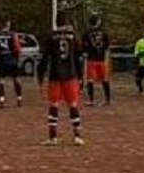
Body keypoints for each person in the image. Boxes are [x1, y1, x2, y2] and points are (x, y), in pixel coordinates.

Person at [38, 14, 84, 146]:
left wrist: (40, 77)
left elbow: (44, 58)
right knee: (73, 105)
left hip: (55, 75)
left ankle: (53, 137)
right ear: (67, 22)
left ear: (56, 22)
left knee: (54, 105)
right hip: (71, 74)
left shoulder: (51, 36)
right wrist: (80, 77)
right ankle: (77, 136)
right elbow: (78, 58)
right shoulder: (74, 36)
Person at [0, 20, 24, 108]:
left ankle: (1, 99)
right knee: (16, 79)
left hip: (3, 60)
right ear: (8, 25)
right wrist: (16, 55)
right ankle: (19, 98)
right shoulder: (13, 34)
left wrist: (0, 53)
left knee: (1, 81)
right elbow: (17, 47)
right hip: (12, 59)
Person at [83, 16, 112, 106]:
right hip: (101, 59)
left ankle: (91, 100)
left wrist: (86, 53)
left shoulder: (87, 33)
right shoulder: (104, 32)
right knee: (104, 79)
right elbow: (107, 46)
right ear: (98, 22)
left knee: (90, 80)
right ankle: (107, 99)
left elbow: (84, 46)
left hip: (91, 59)